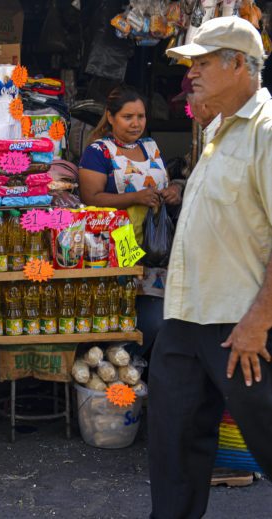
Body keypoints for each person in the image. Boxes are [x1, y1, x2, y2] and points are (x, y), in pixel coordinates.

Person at [149, 16, 272, 519]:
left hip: (241, 324)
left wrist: (259, 319)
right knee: (173, 445)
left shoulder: (266, 131)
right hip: (185, 318)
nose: (191, 74)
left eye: (201, 62)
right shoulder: (220, 128)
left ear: (238, 63)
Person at [77, 85, 183, 355]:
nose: (136, 123)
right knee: (120, 311)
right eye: (128, 117)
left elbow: (162, 184)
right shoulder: (98, 152)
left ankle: (135, 369)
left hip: (154, 244)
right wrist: (134, 198)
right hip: (118, 242)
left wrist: (172, 193)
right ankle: (114, 366)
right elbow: (91, 198)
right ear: (111, 117)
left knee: (154, 318)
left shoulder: (151, 147)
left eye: (141, 116)